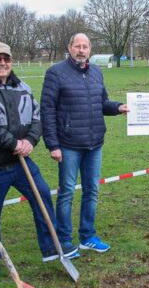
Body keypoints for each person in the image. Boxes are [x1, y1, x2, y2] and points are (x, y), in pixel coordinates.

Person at [0, 42, 77, 276]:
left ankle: (51, 247)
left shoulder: (23, 87)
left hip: (21, 162)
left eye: (6, 59)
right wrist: (13, 143)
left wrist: (30, 141)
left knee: (41, 194)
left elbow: (37, 118)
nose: (2, 63)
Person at [40, 33, 128, 253]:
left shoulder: (96, 72)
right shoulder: (55, 73)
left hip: (94, 143)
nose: (81, 50)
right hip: (68, 144)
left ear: (90, 49)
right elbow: (47, 110)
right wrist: (53, 144)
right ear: (69, 47)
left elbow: (102, 103)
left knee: (91, 191)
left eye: (85, 46)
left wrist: (118, 107)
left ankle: (87, 236)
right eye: (77, 46)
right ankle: (64, 239)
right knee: (67, 191)